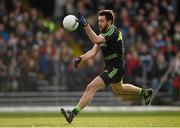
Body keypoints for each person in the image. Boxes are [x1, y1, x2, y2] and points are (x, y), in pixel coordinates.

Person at [61, 10, 154, 123]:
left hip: (115, 68)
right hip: (111, 68)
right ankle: (145, 92)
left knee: (91, 87)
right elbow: (93, 52)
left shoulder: (113, 32)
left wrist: (85, 24)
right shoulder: (103, 34)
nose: (99, 23)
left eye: (102, 21)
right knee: (119, 89)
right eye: (98, 20)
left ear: (109, 22)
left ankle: (73, 113)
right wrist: (80, 58)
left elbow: (95, 39)